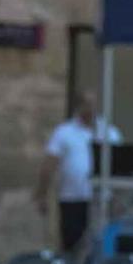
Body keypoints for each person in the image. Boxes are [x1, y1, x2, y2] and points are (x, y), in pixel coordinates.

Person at [36, 93, 107, 255]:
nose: (90, 108)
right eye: (86, 104)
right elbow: (49, 163)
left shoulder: (108, 132)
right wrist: (42, 194)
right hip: (72, 197)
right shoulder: (64, 132)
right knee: (72, 242)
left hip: (100, 200)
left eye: (93, 104)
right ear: (78, 106)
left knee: (97, 244)